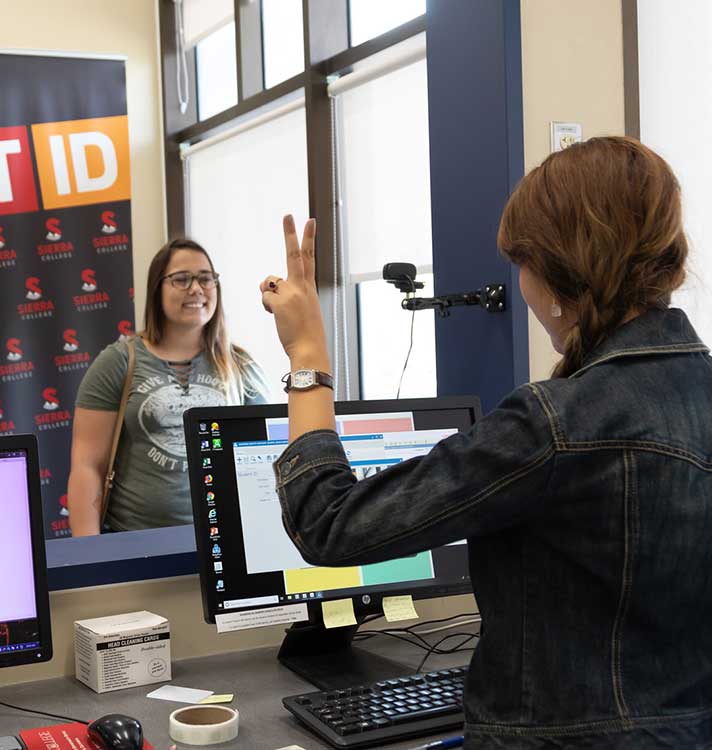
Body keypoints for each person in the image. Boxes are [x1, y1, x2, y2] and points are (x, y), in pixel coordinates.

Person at [259, 137, 712, 747]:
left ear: (560, 269)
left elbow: (330, 521)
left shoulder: (554, 424)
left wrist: (308, 356)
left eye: (523, 264)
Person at [69, 238, 270, 535]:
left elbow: (267, 461)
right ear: (156, 290)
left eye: (205, 278)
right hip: (136, 545)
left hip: (226, 542)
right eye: (181, 279)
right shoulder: (119, 362)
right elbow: (88, 466)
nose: (196, 288)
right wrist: (89, 555)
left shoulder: (241, 366)